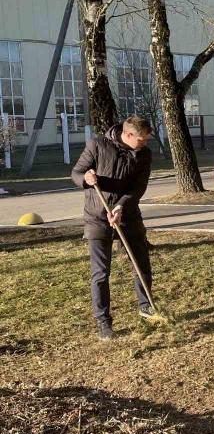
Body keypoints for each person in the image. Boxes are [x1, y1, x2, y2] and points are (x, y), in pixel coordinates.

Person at [71, 115, 154, 339]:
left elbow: (138, 188)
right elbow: (76, 174)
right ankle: (103, 322)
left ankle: (147, 308)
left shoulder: (144, 154)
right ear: (128, 135)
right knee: (100, 273)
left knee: (141, 265)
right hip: (97, 217)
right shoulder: (97, 145)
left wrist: (120, 207)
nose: (144, 143)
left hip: (128, 215)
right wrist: (86, 179)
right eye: (141, 140)